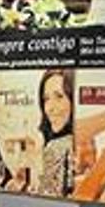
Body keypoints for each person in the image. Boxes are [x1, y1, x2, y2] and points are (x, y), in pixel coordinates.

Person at [36, 68, 74, 197]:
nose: (50, 108)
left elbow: (46, 199)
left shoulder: (56, 147)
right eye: (46, 99)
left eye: (59, 96)